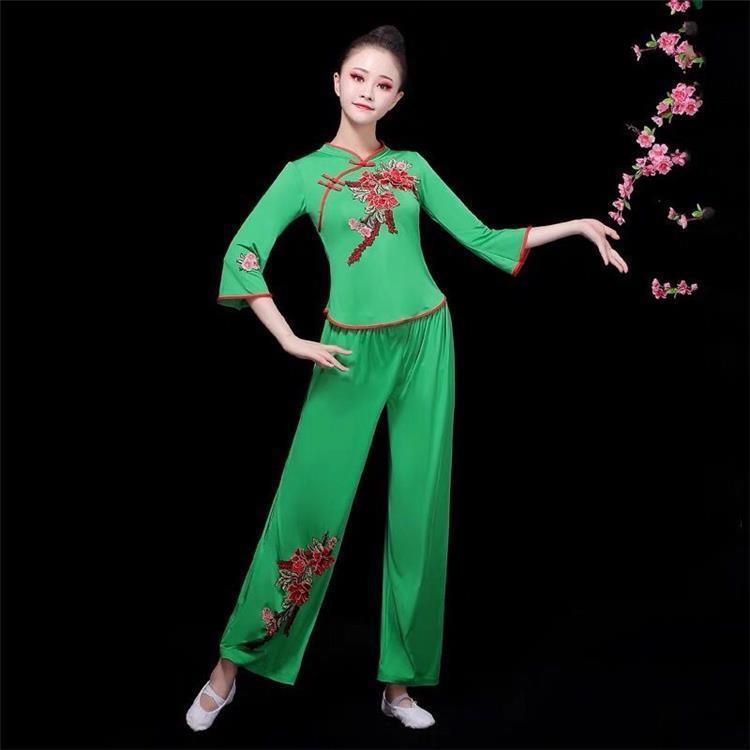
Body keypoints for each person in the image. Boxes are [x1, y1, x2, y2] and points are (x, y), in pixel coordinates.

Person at [186, 23, 628, 732]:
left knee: (419, 510)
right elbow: (243, 251)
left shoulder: (413, 166)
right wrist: (289, 338)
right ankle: (229, 668)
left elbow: (483, 238)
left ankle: (399, 684)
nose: (368, 91)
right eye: (358, 77)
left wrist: (576, 225)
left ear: (397, 99)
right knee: (307, 504)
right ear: (336, 81)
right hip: (347, 350)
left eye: (384, 84)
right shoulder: (301, 174)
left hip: (427, 339)